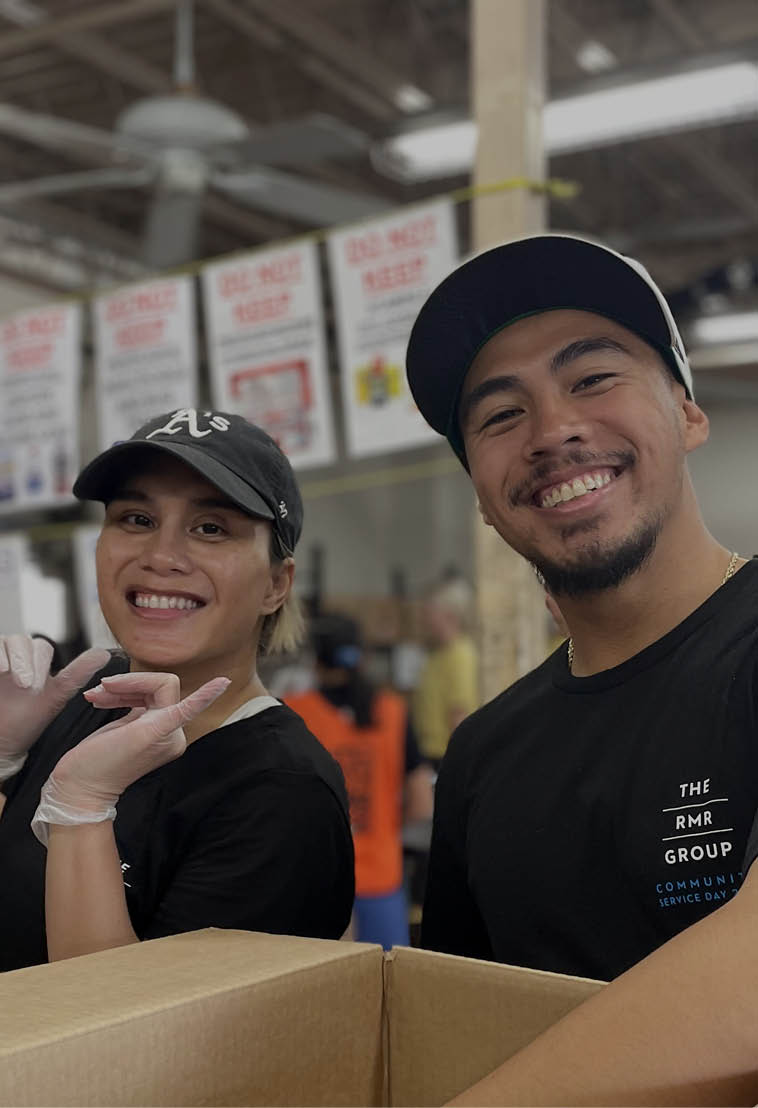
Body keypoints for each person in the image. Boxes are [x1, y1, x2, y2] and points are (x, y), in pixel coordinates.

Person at [405, 234, 758, 1105]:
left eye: (594, 378)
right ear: (484, 500)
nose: (553, 430)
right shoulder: (484, 756)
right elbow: (460, 1022)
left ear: (687, 412)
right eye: (499, 416)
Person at [0, 407, 354, 971]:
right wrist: (3, 759)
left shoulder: (283, 792)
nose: (160, 556)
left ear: (275, 584)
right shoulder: (84, 698)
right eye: (136, 519)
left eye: (210, 528)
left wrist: (84, 810)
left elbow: (129, 1045)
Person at [287, 613, 433, 949]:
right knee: (388, 992)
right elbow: (422, 800)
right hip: (382, 878)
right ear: (363, 657)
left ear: (316, 661)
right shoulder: (393, 712)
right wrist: (384, 828)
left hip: (317, 880)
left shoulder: (294, 714)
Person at [411, 575, 479, 767]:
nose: (425, 618)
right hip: (427, 753)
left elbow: (460, 714)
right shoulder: (436, 654)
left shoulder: (461, 655)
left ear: (450, 615)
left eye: (431, 612)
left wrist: (456, 764)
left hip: (443, 756)